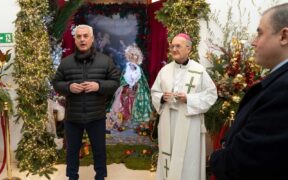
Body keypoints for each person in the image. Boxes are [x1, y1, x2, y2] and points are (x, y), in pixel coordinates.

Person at [209, 3, 288, 180]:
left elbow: (244, 162)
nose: (253, 41)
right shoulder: (279, 79)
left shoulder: (283, 89)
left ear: (283, 36)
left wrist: (215, 157)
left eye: (260, 33)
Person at [52, 24, 120, 180]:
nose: (82, 39)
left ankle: (100, 177)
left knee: (99, 150)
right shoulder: (66, 62)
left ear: (92, 39)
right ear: (75, 39)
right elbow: (56, 83)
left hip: (96, 116)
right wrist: (69, 87)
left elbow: (115, 82)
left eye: (85, 36)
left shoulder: (106, 61)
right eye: (79, 36)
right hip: (73, 117)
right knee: (72, 151)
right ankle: (72, 176)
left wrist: (99, 86)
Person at [151, 33, 217, 180]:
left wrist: (189, 98)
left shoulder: (199, 70)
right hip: (168, 120)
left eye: (178, 46)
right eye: (172, 46)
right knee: (168, 155)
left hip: (189, 122)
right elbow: (155, 92)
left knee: (188, 157)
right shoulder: (165, 70)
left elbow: (211, 95)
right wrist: (162, 97)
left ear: (188, 49)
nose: (174, 49)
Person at [108, 44, 152, 131]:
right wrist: (125, 86)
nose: (133, 57)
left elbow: (143, 81)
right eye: (131, 55)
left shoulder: (139, 70)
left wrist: (139, 87)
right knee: (123, 105)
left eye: (135, 56)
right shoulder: (126, 68)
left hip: (137, 92)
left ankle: (135, 124)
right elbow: (123, 79)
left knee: (134, 105)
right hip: (126, 91)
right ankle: (122, 122)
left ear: (138, 57)